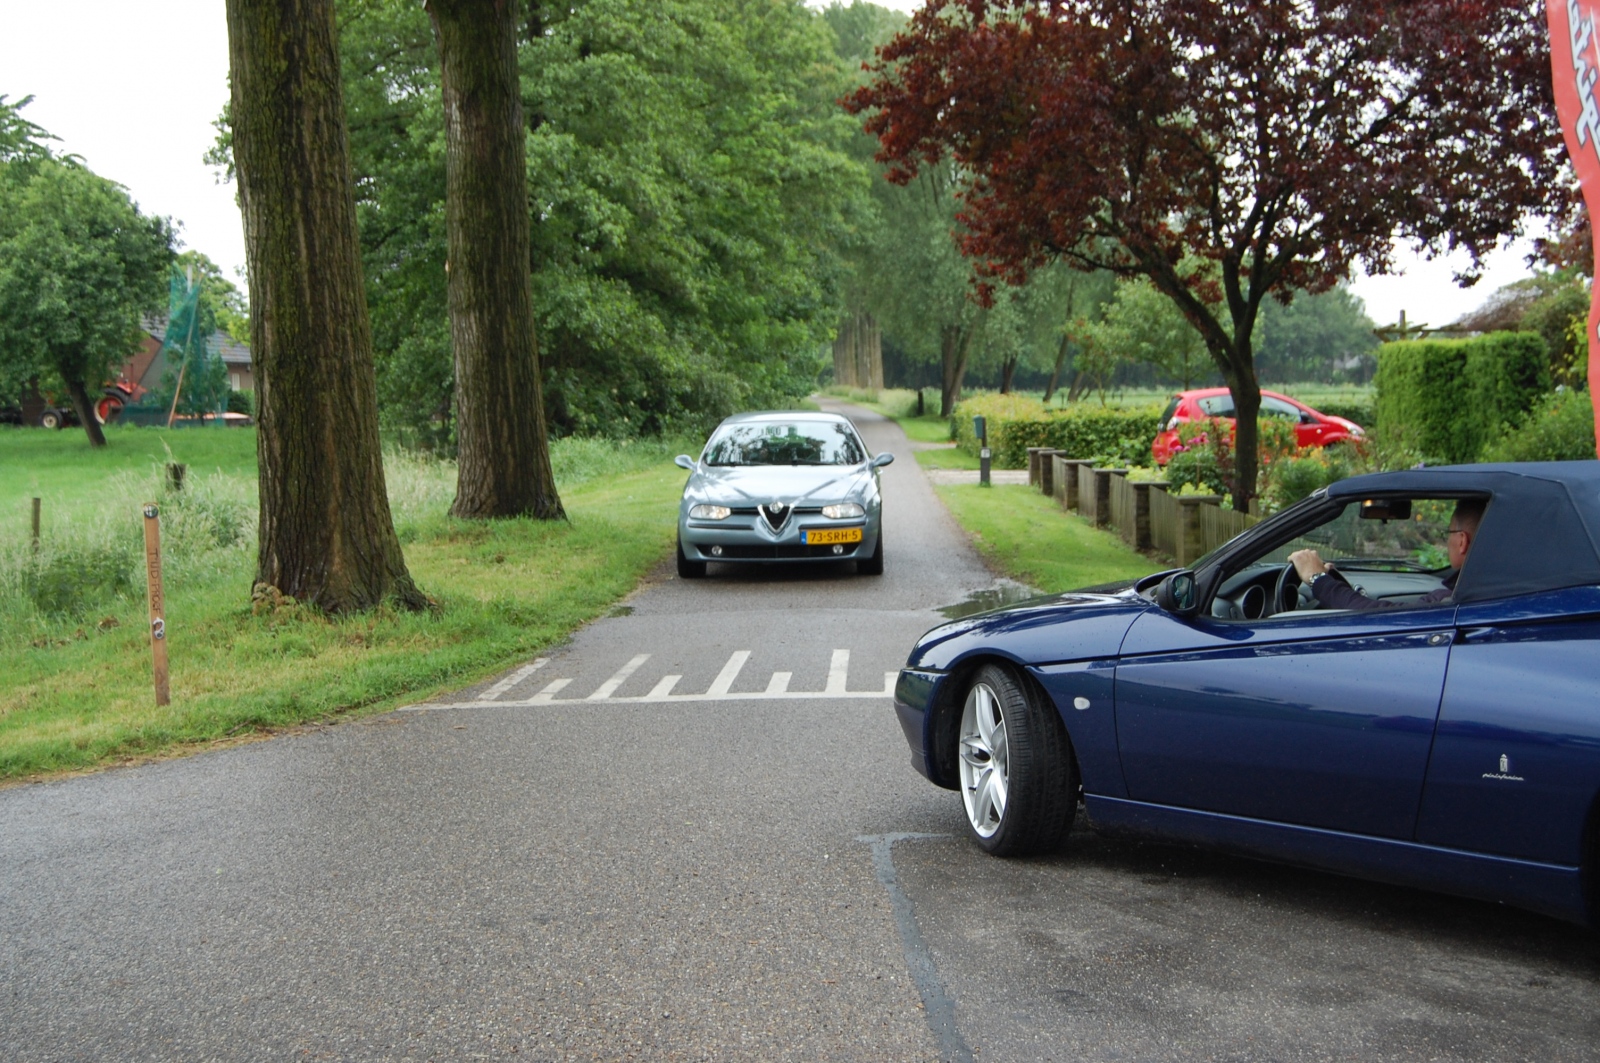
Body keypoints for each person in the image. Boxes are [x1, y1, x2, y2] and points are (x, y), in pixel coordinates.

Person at [1288, 498, 1485, 611]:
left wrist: (1318, 579)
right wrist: (1331, 579)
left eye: (1448, 533)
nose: (1446, 540)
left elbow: (1382, 617)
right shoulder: (1486, 591)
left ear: (1462, 542)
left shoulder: (1453, 601)